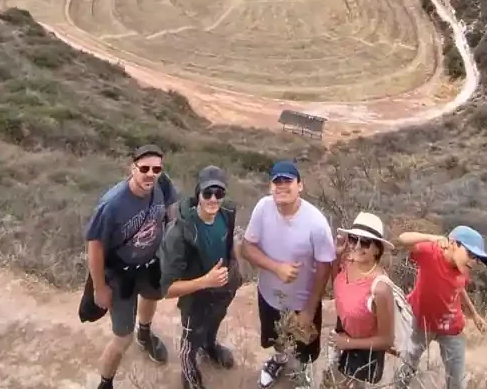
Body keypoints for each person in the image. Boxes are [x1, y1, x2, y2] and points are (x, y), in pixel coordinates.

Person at [85, 143, 179, 389]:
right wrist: (99, 288)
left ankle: (145, 333)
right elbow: (95, 248)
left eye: (156, 169)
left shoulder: (162, 183)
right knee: (122, 337)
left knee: (151, 296)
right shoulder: (112, 204)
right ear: (132, 168)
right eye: (144, 168)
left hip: (150, 264)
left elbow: (171, 209)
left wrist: (170, 237)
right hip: (120, 273)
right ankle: (105, 383)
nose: (151, 174)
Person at [241, 160, 336, 389]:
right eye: (277, 181)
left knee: (306, 349)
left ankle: (304, 373)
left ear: (300, 186)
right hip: (268, 296)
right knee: (277, 338)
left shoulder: (316, 223)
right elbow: (247, 247)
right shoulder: (263, 208)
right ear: (270, 187)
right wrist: (276, 267)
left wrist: (309, 310)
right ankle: (281, 359)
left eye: (288, 181)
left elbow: (325, 267)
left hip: (301, 303)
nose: (282, 186)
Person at [159, 166, 242, 389]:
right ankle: (189, 370)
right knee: (190, 339)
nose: (213, 199)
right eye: (207, 193)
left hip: (222, 291)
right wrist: (206, 281)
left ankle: (210, 345)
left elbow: (228, 242)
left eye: (219, 193)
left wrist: (234, 271)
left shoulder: (227, 214)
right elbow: (166, 289)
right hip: (195, 298)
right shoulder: (180, 232)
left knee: (213, 323)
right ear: (198, 193)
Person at [393, 226, 487, 389]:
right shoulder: (430, 253)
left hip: (451, 325)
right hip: (422, 321)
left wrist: (474, 314)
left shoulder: (463, 269)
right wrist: (431, 237)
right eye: (470, 254)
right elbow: (403, 238)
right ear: (454, 244)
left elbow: (458, 289)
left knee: (456, 379)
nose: (473, 262)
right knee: (409, 361)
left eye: (477, 259)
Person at [323, 212, 397, 388]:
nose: (356, 246)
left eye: (364, 242)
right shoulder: (347, 263)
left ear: (377, 249)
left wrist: (348, 343)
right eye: (353, 239)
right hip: (343, 335)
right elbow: (338, 287)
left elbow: (387, 340)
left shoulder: (380, 288)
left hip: (364, 353)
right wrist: (335, 257)